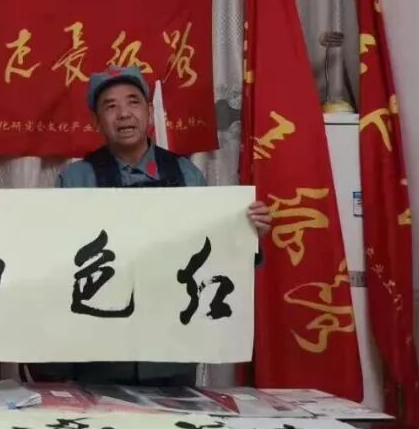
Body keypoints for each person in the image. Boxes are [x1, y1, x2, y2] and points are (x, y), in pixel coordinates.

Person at [27, 65, 272, 387]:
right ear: (97, 122)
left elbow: (214, 254)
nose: (123, 114)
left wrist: (248, 234)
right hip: (98, 347)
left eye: (133, 102)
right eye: (110, 106)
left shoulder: (186, 175)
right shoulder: (76, 179)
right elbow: (56, 262)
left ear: (149, 113)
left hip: (171, 347)